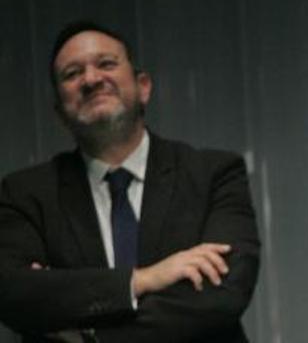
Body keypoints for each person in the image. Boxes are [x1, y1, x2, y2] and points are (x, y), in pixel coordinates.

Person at [0, 22, 260, 342]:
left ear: (143, 86)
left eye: (106, 64)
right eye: (72, 73)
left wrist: (89, 331)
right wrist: (141, 281)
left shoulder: (213, 173)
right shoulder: (26, 193)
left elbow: (222, 295)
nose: (92, 79)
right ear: (59, 112)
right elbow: (14, 295)